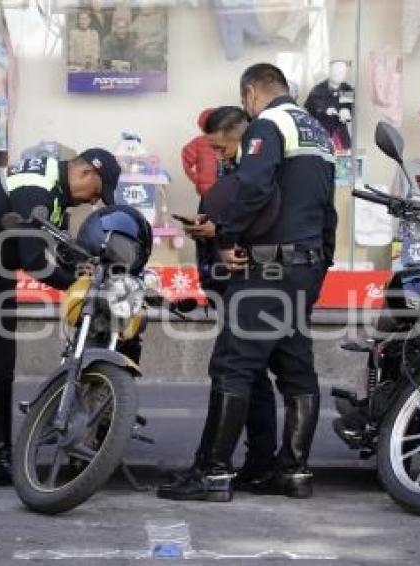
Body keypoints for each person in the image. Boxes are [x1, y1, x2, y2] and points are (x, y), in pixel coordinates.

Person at [158, 63, 336, 503]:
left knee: (233, 364)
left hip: (268, 269)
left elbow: (254, 186)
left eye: (245, 101)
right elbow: (327, 210)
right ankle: (293, 472)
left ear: (253, 92)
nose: (246, 108)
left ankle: (213, 473)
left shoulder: (270, 124)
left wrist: (224, 233)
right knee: (296, 370)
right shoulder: (317, 131)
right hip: (304, 266)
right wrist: (319, 266)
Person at [0, 148, 120, 486]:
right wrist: (77, 285)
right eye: (96, 193)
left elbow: (57, 247)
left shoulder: (57, 193)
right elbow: (35, 261)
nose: (93, 202)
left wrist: (86, 265)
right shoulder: (37, 186)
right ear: (85, 173)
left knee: (1, 368)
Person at [180, 106, 280, 493]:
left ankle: (220, 468)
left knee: (238, 370)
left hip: (246, 283)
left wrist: (220, 236)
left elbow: (249, 228)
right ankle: (258, 463)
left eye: (222, 147)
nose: (218, 156)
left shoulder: (256, 175)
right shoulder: (238, 172)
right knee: (250, 374)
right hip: (232, 282)